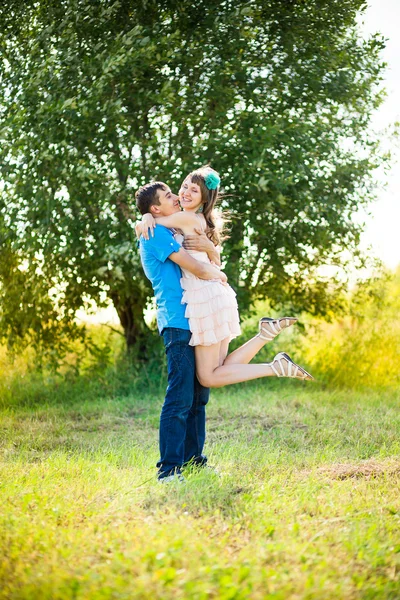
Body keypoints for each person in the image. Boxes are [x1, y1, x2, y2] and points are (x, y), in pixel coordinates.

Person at [137, 166, 314, 390]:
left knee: (208, 377)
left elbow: (151, 222)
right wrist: (212, 252)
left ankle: (274, 367)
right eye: (183, 187)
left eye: (194, 190)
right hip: (217, 294)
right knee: (219, 367)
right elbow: (215, 261)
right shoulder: (200, 220)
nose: (184, 193)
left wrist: (144, 217)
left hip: (204, 296)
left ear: (203, 199)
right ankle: (264, 336)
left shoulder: (184, 218)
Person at [135, 181, 227, 482]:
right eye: (169, 196)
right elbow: (198, 269)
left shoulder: (165, 227)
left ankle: (195, 461)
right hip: (177, 322)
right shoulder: (155, 234)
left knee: (199, 397)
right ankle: (168, 470)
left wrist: (211, 250)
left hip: (196, 317)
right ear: (155, 208)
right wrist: (220, 275)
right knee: (179, 396)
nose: (177, 197)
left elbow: (200, 249)